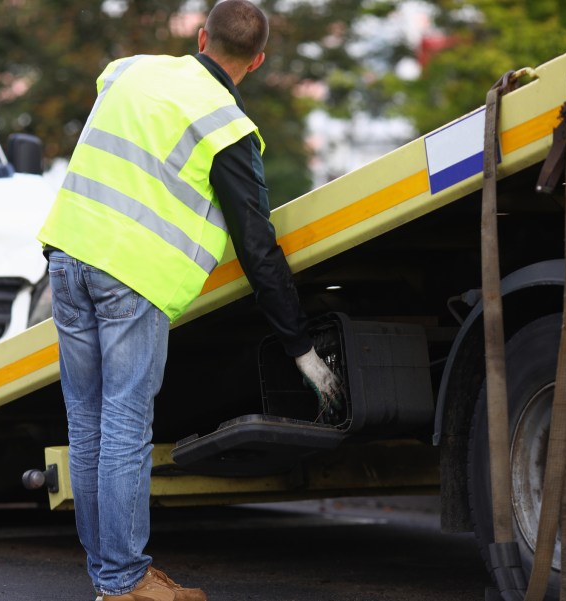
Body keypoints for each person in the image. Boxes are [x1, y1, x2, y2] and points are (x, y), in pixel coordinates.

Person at [37, 1, 339, 599]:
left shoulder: (128, 70)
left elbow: (117, 114)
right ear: (257, 60)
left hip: (66, 258)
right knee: (123, 426)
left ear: (201, 37)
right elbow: (257, 245)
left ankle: (111, 578)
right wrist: (301, 347)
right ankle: (124, 583)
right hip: (131, 278)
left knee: (89, 425)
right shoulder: (225, 126)